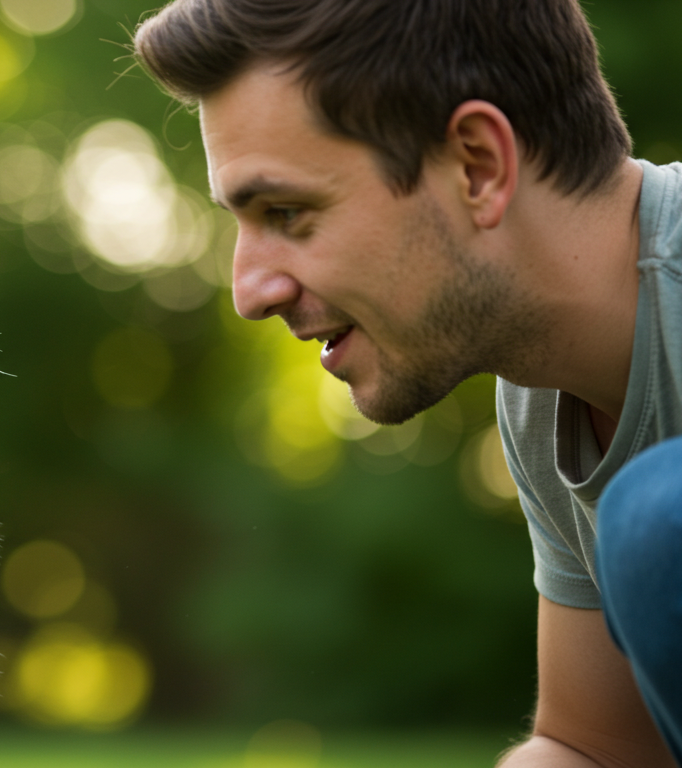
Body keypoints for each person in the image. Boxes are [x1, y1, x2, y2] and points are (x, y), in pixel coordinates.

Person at [132, 1, 682, 765]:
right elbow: (592, 748)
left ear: (478, 167)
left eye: (286, 211)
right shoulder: (541, 390)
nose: (249, 291)